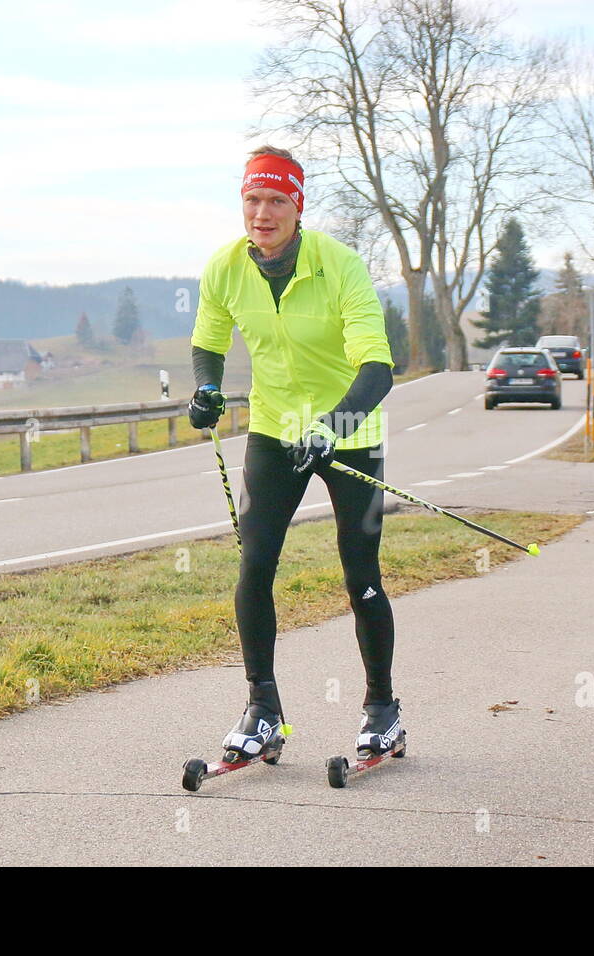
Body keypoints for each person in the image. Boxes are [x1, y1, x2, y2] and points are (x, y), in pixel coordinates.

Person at [187, 145, 403, 762]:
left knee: (361, 575)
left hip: (349, 434)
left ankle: (382, 709)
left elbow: (377, 366)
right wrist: (206, 390)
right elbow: (208, 344)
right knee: (255, 566)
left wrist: (335, 424)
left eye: (276, 200)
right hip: (275, 432)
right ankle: (263, 710)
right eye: (252, 200)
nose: (263, 213)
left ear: (297, 206)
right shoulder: (225, 267)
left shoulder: (340, 266)